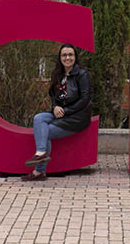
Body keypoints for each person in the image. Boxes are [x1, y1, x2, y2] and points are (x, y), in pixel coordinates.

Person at [21, 44, 92, 181]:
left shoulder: (82, 74)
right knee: (39, 118)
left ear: (75, 57)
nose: (67, 58)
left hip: (77, 118)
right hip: (61, 113)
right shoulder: (58, 74)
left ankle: (39, 171)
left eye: (70, 55)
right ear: (60, 58)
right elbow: (54, 96)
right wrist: (54, 107)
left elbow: (85, 99)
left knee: (45, 131)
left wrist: (65, 111)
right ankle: (41, 153)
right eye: (64, 55)